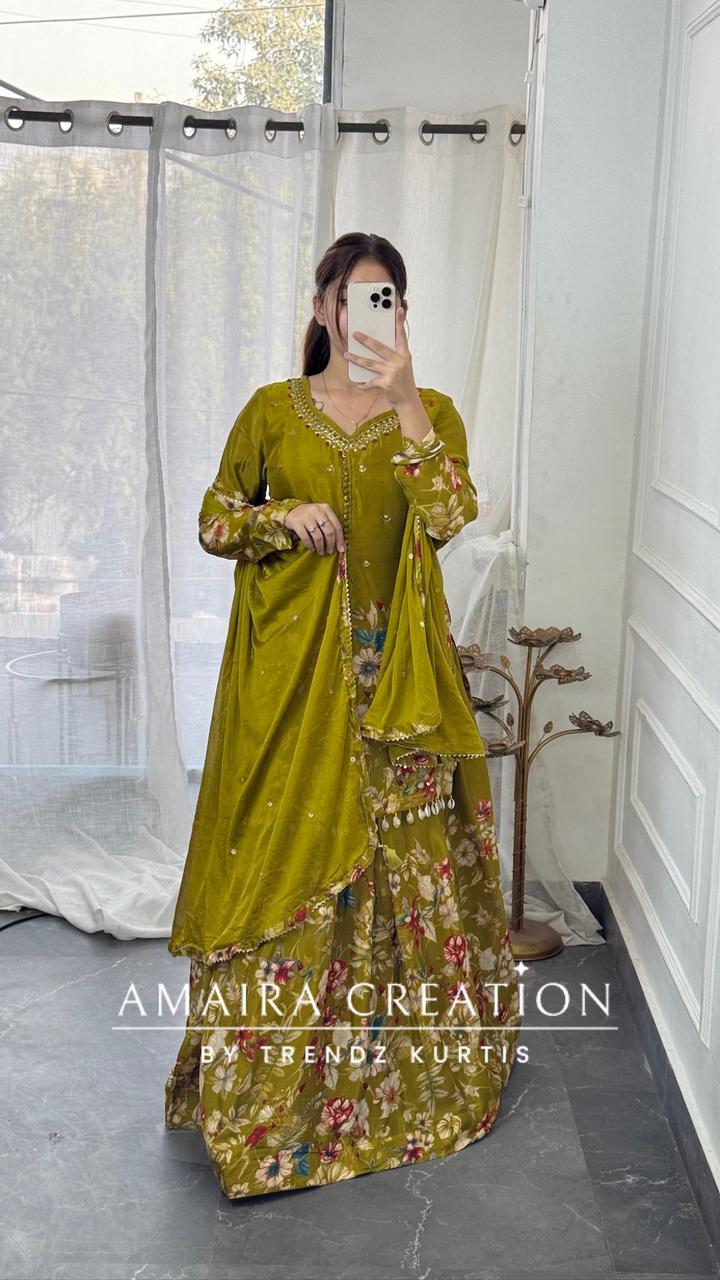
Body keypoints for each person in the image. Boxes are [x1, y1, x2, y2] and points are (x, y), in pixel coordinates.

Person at [164, 231, 522, 1198]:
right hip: (291, 686)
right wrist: (278, 518)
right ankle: (274, 1105)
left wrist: (405, 400)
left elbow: (449, 516)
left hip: (401, 689)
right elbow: (213, 518)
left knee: (401, 864)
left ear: (401, 311)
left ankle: (394, 1087)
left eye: (386, 298)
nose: (369, 313)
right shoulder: (270, 412)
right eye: (353, 296)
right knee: (286, 860)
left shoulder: (429, 411)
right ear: (322, 305)